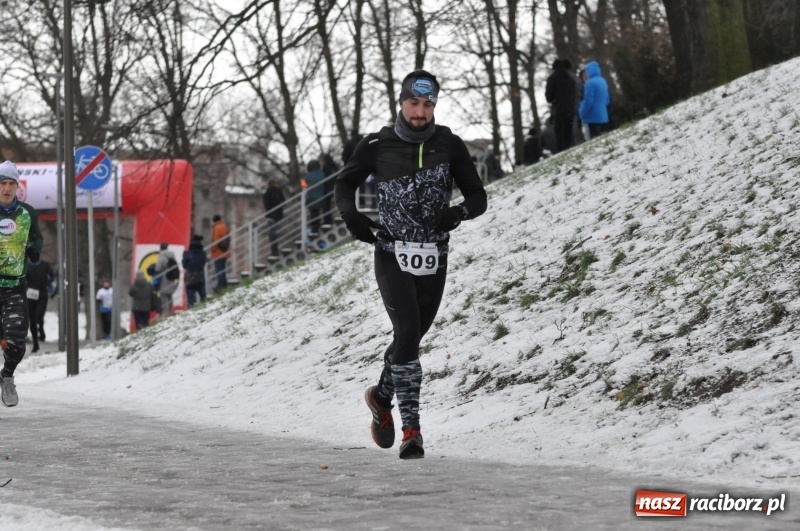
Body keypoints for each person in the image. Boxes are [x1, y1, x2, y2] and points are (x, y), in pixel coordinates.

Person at [334, 70, 487, 459]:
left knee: (410, 338)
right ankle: (411, 431)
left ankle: (380, 398)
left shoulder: (449, 144)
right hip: (391, 252)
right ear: (402, 102)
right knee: (407, 331)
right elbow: (344, 184)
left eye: (428, 104)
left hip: (434, 255)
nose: (420, 112)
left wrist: (456, 214)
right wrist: (352, 216)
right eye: (414, 103)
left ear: (434, 105)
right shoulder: (376, 144)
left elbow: (478, 197)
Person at [0, 160, 44, 407]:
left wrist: (34, 250)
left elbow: (37, 237)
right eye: (2, 183)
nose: (6, 188)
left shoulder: (27, 213)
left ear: (17, 186)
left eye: (11, 183)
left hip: (14, 286)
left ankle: (7, 376)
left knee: (17, 343)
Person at [545, 58, 577, 154]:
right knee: (569, 132)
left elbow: (548, 97)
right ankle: (570, 151)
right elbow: (575, 94)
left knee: (560, 134)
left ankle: (562, 152)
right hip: (570, 108)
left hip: (558, 109)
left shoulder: (552, 78)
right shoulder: (571, 78)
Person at [25, 256, 54, 351]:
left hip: (42, 293)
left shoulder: (44, 265)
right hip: (30, 294)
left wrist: (47, 282)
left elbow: (52, 275)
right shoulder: (26, 265)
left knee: (39, 315)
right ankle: (35, 343)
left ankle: (41, 330)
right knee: (32, 319)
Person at [579, 60, 611, 140]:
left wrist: (582, 113)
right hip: (603, 116)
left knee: (593, 141)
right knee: (603, 140)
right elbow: (607, 100)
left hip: (591, 118)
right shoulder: (603, 81)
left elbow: (588, 102)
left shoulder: (589, 83)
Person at [182, 234, 207, 307]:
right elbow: (203, 264)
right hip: (200, 276)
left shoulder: (187, 254)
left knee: (190, 297)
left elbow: (184, 265)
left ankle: (191, 307)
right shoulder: (203, 254)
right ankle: (204, 307)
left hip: (190, 277)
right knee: (203, 296)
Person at [263, 179, 285, 256]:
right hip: (278, 214)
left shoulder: (267, 192)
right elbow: (283, 201)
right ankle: (276, 249)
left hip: (270, 215)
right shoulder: (279, 191)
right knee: (276, 231)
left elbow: (266, 204)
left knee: (272, 232)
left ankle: (274, 250)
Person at [155, 242, 178, 317]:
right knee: (170, 295)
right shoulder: (172, 256)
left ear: (161, 248)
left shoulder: (162, 256)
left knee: (163, 296)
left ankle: (165, 314)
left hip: (164, 279)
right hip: (171, 279)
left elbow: (157, 268)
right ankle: (170, 311)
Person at [304, 160, 326, 233]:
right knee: (320, 212)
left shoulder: (309, 175)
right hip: (320, 196)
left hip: (311, 197)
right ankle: (319, 226)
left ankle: (314, 229)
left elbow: (304, 184)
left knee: (313, 214)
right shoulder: (322, 173)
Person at [210, 214, 230, 290]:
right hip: (225, 251)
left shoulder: (216, 228)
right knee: (223, 269)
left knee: (219, 270)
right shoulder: (224, 227)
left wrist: (212, 250)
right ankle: (224, 283)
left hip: (218, 253)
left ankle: (220, 285)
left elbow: (216, 240)